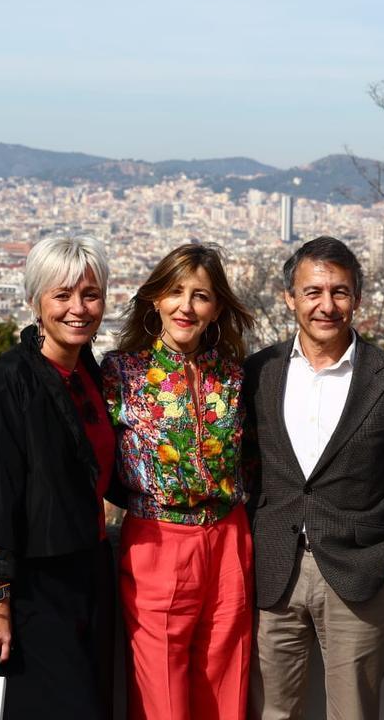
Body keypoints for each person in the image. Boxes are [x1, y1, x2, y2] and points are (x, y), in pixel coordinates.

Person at [243, 237, 384, 720]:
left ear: (357, 298)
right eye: (312, 292)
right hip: (274, 574)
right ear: (289, 298)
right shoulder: (259, 373)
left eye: (340, 292)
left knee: (353, 713)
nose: (326, 306)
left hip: (362, 574)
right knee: (272, 713)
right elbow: (243, 467)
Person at [0, 235, 118, 720]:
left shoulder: (89, 372)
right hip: (33, 583)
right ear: (34, 302)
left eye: (90, 295)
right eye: (62, 295)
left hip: (89, 571)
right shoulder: (8, 380)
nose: (78, 309)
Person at [102, 243, 256, 720]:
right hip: (156, 538)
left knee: (226, 679)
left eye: (201, 296)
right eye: (175, 292)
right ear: (154, 299)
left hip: (229, 535)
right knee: (160, 690)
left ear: (216, 308)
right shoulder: (122, 373)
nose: (186, 306)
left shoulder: (232, 375)